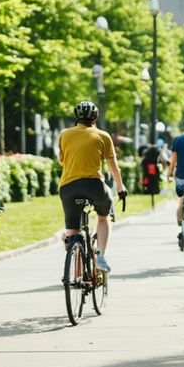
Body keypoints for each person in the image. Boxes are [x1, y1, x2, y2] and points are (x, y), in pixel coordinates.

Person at [58, 101, 126, 273]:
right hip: (94, 185)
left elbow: (61, 160)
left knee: (73, 230)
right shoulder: (103, 136)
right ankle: (100, 255)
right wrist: (120, 187)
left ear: (76, 117)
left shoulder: (64, 135)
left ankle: (77, 271)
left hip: (68, 187)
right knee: (104, 217)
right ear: (95, 117)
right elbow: (113, 165)